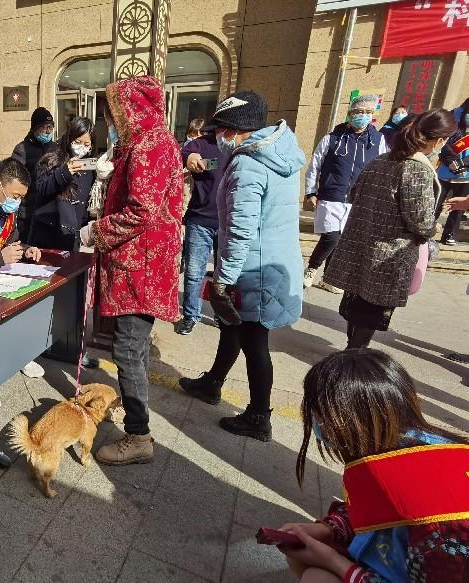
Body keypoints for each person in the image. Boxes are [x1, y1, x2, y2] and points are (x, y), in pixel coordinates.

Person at [277, 349, 469, 582]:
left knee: (317, 577)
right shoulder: (402, 448)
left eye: (319, 416)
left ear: (343, 422)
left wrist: (334, 562)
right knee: (302, 554)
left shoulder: (438, 525)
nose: (317, 424)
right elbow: (374, 507)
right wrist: (332, 529)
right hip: (395, 561)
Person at [179, 91, 305, 442]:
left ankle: (258, 416)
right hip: (271, 261)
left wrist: (223, 280)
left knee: (254, 340)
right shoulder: (278, 151)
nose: (219, 137)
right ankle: (211, 383)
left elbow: (239, 231)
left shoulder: (249, 165)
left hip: (256, 268)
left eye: (222, 130)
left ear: (238, 130)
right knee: (231, 327)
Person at [79, 75, 183, 465]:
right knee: (134, 346)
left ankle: (138, 435)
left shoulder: (150, 146)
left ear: (130, 110)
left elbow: (142, 210)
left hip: (140, 266)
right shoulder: (144, 142)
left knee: (126, 347)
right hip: (140, 263)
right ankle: (136, 412)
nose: (111, 119)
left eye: (113, 111)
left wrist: (96, 230)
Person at [323, 109, 456, 349]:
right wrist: (434, 227)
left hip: (360, 245)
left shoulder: (380, 160)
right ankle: (352, 361)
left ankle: (350, 354)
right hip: (387, 255)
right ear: (439, 140)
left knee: (358, 308)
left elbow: (353, 194)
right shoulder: (416, 168)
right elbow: (420, 222)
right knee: (369, 313)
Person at [303, 94, 387, 292]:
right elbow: (315, 165)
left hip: (359, 199)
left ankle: (328, 278)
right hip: (331, 195)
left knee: (341, 240)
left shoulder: (378, 140)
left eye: (368, 112)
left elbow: (382, 169)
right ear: (350, 114)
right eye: (359, 112)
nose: (363, 116)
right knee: (331, 237)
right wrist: (310, 192)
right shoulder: (333, 138)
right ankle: (311, 268)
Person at [175, 129, 226, 335]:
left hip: (230, 221)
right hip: (199, 219)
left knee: (225, 274)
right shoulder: (202, 143)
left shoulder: (242, 145)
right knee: (194, 272)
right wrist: (191, 157)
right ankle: (190, 315)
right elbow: (183, 152)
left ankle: (222, 314)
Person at [30, 116, 96, 250]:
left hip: (72, 239)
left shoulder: (89, 168)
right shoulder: (52, 158)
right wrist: (64, 173)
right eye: (77, 142)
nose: (81, 148)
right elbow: (41, 188)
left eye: (86, 144)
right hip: (47, 237)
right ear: (69, 138)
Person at [12, 106, 56, 241]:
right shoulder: (22, 149)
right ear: (35, 128)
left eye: (50, 127)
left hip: (49, 211)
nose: (48, 131)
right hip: (28, 213)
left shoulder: (55, 148)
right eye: (45, 127)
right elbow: (15, 178)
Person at [437, 98, 469, 246]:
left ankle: (450, 234)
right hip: (445, 170)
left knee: (458, 207)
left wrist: (463, 163)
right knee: (435, 202)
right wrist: (451, 161)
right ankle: (425, 229)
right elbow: (442, 141)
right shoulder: (452, 117)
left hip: (466, 174)